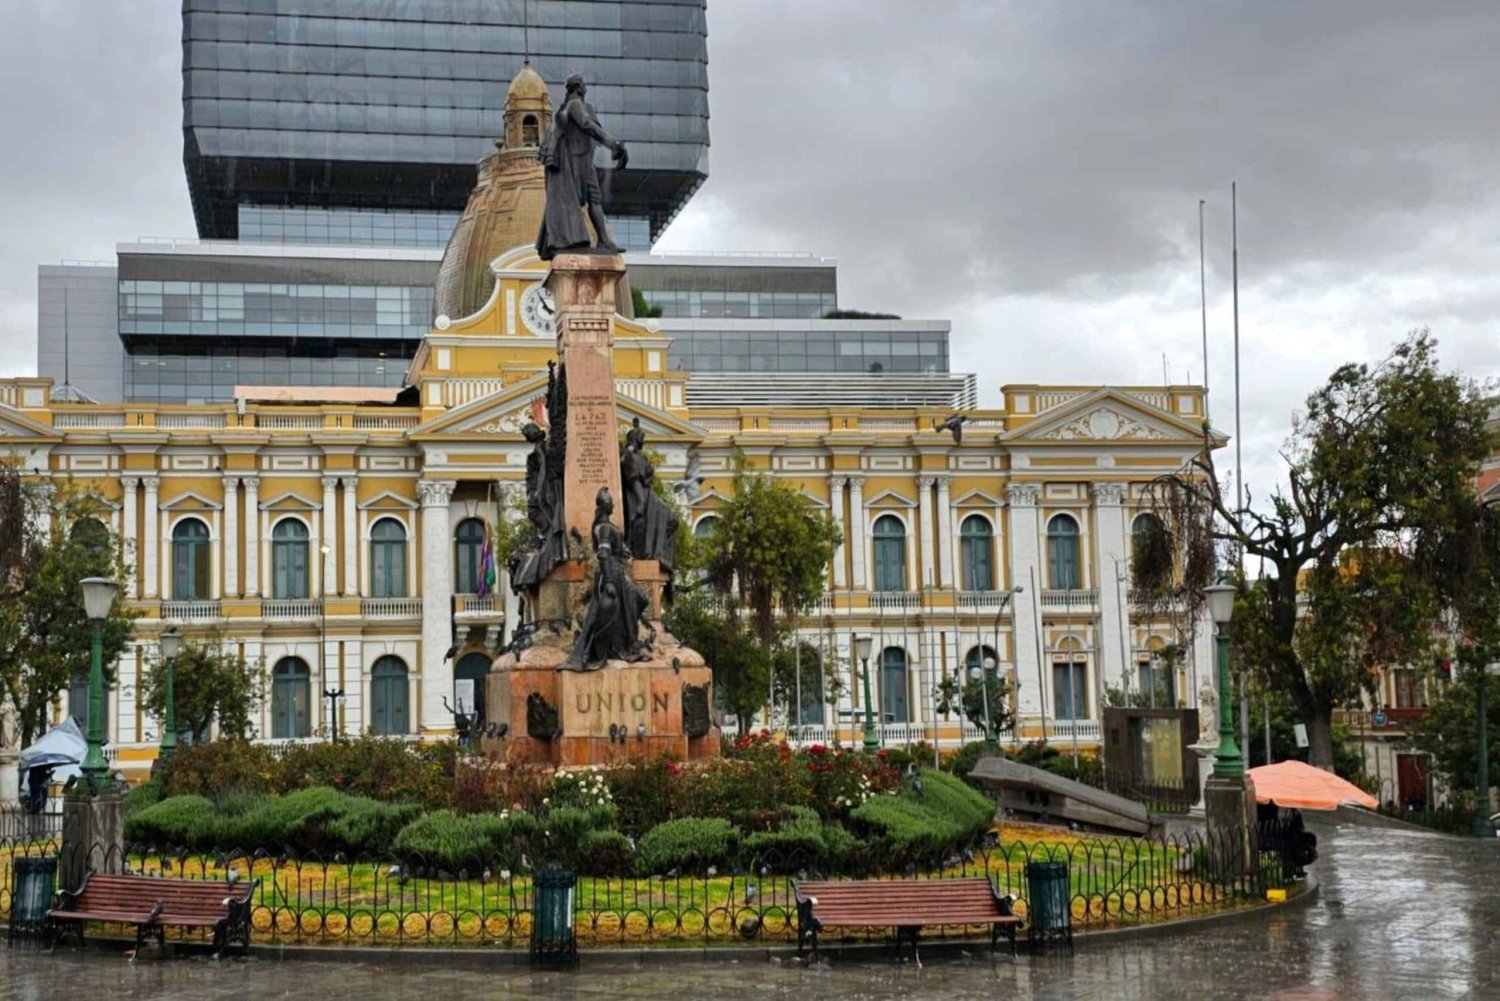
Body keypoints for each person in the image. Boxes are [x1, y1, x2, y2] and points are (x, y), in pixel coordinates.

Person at [536, 74, 629, 259]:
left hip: (584, 162)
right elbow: (586, 125)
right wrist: (613, 144)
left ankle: (603, 240)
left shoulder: (569, 108)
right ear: (578, 88)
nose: (586, 89)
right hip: (575, 164)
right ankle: (586, 240)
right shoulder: (575, 105)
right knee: (593, 199)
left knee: (595, 198)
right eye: (584, 86)